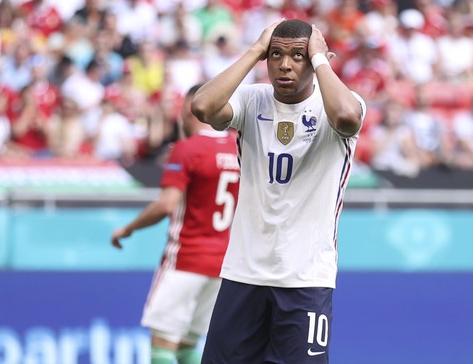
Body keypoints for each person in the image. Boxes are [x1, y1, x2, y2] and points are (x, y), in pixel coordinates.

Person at [191, 19, 366, 363]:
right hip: (244, 272)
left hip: (305, 278)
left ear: (316, 60)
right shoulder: (250, 100)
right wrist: (255, 50)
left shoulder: (340, 103)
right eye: (276, 55)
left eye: (298, 56)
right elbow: (202, 107)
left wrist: (320, 60)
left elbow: (347, 118)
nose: (285, 65)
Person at [110, 84, 240, 364]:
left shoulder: (187, 149)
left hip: (186, 258)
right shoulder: (239, 148)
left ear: (191, 109)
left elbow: (167, 203)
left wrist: (128, 228)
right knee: (187, 344)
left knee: (163, 344)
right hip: (222, 264)